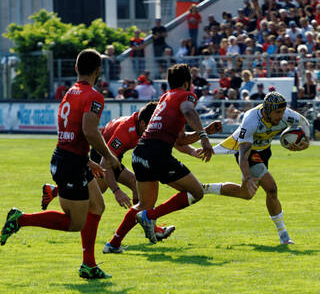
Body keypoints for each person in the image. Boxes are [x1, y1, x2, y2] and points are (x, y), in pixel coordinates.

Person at [0, 49, 121, 279]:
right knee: (75, 223)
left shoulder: (70, 93)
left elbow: (71, 133)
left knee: (98, 206)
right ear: (98, 71)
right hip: (71, 164)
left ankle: (89, 265)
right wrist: (109, 156)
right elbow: (89, 131)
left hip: (71, 159)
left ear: (76, 69)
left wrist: (88, 161)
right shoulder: (93, 96)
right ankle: (20, 219)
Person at [41, 102, 178, 250]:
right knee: (90, 199)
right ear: (143, 122)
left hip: (112, 157)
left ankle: (54, 191)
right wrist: (117, 191)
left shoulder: (141, 125)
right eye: (151, 126)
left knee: (128, 186)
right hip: (100, 157)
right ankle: (150, 226)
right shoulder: (127, 130)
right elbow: (105, 162)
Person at [107, 63, 215, 247]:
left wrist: (205, 131)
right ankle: (150, 217)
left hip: (140, 152)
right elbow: (189, 111)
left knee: (144, 203)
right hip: (157, 153)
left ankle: (113, 244)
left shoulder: (166, 98)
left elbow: (180, 139)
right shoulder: (185, 96)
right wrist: (204, 137)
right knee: (196, 192)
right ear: (188, 83)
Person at [203, 92, 310, 245]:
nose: (281, 116)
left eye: (282, 111)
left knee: (246, 193)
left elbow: (304, 122)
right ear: (266, 110)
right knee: (271, 188)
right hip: (249, 152)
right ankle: (284, 235)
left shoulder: (287, 115)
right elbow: (243, 153)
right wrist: (247, 176)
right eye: (277, 112)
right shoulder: (251, 120)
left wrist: (304, 141)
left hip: (264, 151)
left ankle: (206, 188)